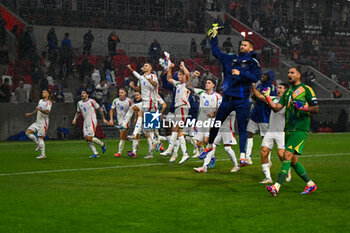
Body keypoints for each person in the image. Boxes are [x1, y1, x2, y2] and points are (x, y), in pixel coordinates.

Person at [200, 24, 262, 161]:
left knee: (242, 127)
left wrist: (242, 73)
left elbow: (256, 77)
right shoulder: (231, 58)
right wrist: (214, 38)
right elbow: (216, 52)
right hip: (227, 98)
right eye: (241, 44)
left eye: (245, 45)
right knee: (217, 123)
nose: (242, 46)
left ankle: (242, 156)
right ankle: (209, 146)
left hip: (242, 100)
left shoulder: (253, 62)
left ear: (250, 48)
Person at [263, 67, 319, 197]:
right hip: (288, 129)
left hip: (300, 128)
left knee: (286, 155)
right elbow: (277, 108)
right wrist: (268, 98)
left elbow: (316, 108)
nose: (289, 74)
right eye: (288, 72)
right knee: (293, 160)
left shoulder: (306, 89)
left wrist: (304, 107)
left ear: (299, 75)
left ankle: (276, 186)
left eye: (292, 72)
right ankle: (310, 184)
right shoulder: (287, 93)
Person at [252, 82, 290, 184]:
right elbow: (260, 96)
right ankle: (268, 177)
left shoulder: (288, 102)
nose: (278, 90)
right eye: (278, 88)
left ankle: (287, 170)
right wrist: (253, 87)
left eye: (281, 88)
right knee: (263, 152)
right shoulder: (272, 99)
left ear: (286, 90)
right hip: (270, 131)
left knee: (281, 154)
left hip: (281, 132)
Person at [160, 62, 191, 164]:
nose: (179, 76)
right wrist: (169, 68)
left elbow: (188, 75)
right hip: (178, 108)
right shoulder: (178, 84)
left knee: (174, 128)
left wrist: (183, 66)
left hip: (182, 107)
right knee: (179, 132)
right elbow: (169, 78)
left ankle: (170, 149)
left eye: (180, 74)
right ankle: (185, 153)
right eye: (178, 74)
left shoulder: (187, 84)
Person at [125, 63, 159, 159]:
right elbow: (139, 88)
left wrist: (148, 78)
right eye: (143, 65)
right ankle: (151, 152)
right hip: (146, 102)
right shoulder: (142, 78)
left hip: (150, 102)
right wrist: (133, 85)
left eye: (146, 65)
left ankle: (134, 134)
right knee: (148, 131)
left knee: (139, 111)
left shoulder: (153, 76)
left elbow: (156, 84)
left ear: (151, 68)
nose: (144, 66)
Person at [245, 70, 275, 165]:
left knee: (265, 138)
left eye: (265, 75)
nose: (262, 76)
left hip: (265, 116)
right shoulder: (260, 85)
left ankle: (268, 159)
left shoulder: (271, 87)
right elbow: (253, 96)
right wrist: (254, 93)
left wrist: (254, 90)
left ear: (269, 76)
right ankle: (247, 157)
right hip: (255, 114)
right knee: (249, 134)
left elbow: (264, 98)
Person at [72, 90, 108, 158]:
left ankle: (102, 144)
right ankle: (96, 153)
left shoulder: (92, 101)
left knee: (89, 138)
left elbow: (99, 109)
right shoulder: (79, 103)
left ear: (87, 95)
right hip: (85, 122)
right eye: (81, 93)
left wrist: (103, 118)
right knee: (86, 139)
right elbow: (78, 112)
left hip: (92, 121)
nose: (82, 94)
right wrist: (74, 119)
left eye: (84, 93)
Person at [192, 78, 222, 158]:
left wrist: (214, 113)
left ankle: (211, 157)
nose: (207, 84)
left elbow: (220, 109)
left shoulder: (217, 96)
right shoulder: (201, 93)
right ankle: (206, 157)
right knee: (198, 143)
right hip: (201, 121)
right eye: (206, 83)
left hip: (210, 122)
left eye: (209, 83)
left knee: (206, 140)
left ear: (213, 85)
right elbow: (188, 86)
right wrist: (193, 76)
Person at [25, 89, 52, 159]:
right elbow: (37, 109)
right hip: (37, 122)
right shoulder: (40, 101)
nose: (43, 93)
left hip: (43, 123)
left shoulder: (49, 102)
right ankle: (38, 144)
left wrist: (40, 110)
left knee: (40, 138)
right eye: (42, 92)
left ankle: (43, 155)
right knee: (28, 132)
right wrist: (30, 114)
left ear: (48, 94)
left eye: (44, 92)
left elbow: (47, 112)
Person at [109, 88, 132, 157]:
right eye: (119, 92)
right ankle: (135, 139)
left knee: (121, 136)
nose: (120, 94)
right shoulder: (115, 101)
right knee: (124, 137)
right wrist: (111, 119)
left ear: (125, 93)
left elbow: (135, 109)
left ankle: (119, 153)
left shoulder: (129, 101)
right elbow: (112, 110)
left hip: (126, 121)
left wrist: (136, 118)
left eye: (122, 92)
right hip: (119, 120)